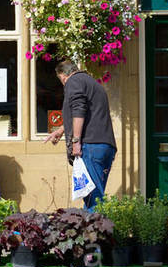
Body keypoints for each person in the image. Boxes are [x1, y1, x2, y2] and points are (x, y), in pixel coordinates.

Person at [44, 60, 116, 210]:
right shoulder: (93, 84)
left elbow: (78, 110)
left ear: (63, 76)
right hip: (105, 146)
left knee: (93, 199)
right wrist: (60, 130)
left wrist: (76, 141)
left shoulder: (73, 81)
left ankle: (96, 232)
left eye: (61, 81)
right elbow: (87, 113)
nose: (64, 84)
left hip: (91, 146)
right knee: (95, 196)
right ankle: (91, 230)